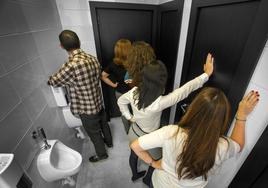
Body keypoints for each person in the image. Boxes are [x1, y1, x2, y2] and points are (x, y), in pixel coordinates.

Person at [130, 88, 259, 188]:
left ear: (192, 109)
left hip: (161, 184)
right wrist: (242, 115)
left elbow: (135, 146)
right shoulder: (222, 146)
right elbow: (238, 145)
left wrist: (154, 163)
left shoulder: (171, 132)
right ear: (221, 120)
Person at [118, 53, 214, 183]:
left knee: (134, 153)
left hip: (133, 131)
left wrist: (129, 117)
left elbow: (121, 102)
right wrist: (206, 75)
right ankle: (147, 180)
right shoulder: (159, 103)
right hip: (149, 136)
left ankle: (134, 174)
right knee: (158, 161)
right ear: (161, 83)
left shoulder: (134, 91)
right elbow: (184, 90)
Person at [47, 30, 112, 163]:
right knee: (104, 123)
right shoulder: (92, 58)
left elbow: (53, 81)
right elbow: (99, 74)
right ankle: (109, 142)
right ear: (79, 42)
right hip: (98, 102)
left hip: (86, 108)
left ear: (62, 46)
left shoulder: (70, 65)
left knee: (94, 133)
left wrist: (49, 79)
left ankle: (102, 154)